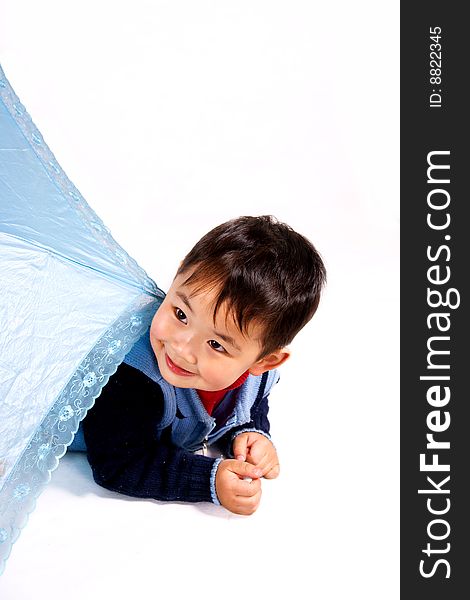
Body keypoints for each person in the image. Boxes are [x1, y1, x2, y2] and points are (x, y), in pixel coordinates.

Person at [74, 215, 326, 515]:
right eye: (180, 314)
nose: (181, 348)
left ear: (264, 361)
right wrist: (208, 479)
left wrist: (250, 432)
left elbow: (249, 403)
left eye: (216, 345)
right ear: (179, 273)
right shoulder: (131, 377)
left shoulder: (256, 376)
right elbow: (117, 463)